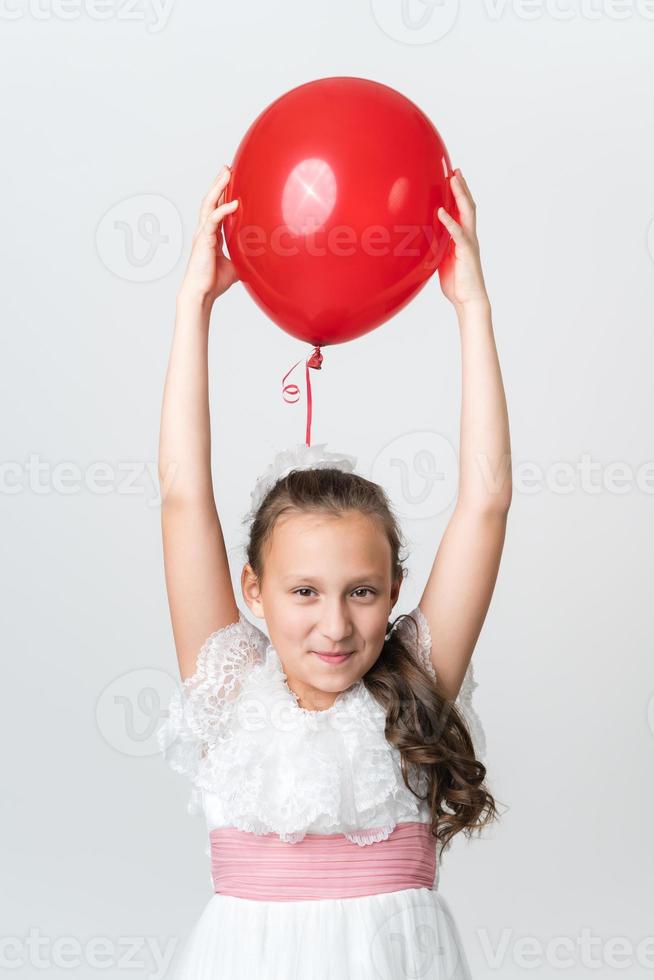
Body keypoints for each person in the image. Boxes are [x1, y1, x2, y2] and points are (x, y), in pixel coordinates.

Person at [156, 164, 512, 979]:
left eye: (362, 592)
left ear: (393, 592)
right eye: (303, 593)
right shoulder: (229, 689)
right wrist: (194, 308)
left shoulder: (414, 680)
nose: (336, 624)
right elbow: (183, 498)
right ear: (254, 590)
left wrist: (471, 309)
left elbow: (486, 502)